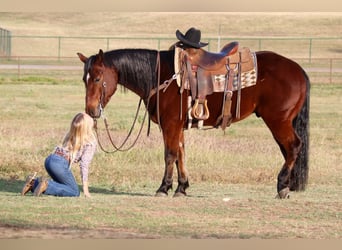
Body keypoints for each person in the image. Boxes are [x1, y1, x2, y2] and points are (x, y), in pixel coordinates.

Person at [21, 112, 97, 198]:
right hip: (59, 164)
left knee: (64, 186)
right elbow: (84, 165)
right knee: (74, 192)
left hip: (50, 159)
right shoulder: (90, 143)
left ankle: (33, 183)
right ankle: (47, 185)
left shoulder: (71, 134)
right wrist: (86, 190)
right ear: (87, 127)